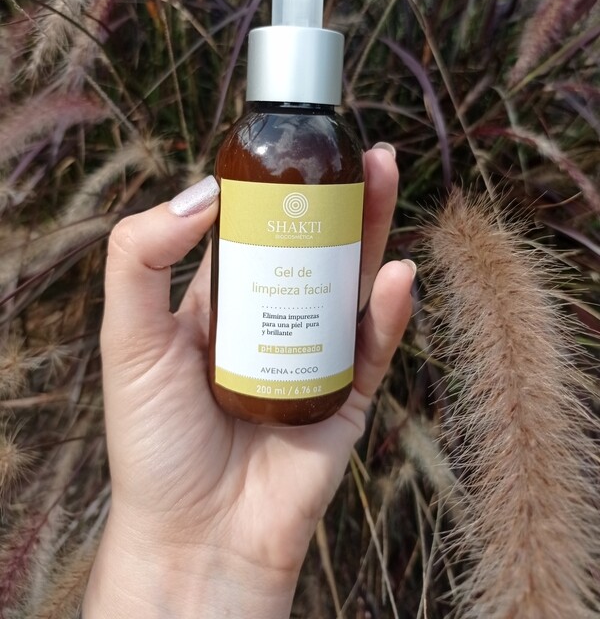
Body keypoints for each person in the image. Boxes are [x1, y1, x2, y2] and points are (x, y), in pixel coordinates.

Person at [82, 143, 415, 618]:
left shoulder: (332, 149)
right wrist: (168, 538)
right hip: (230, 405)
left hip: (312, 388)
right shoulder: (251, 145)